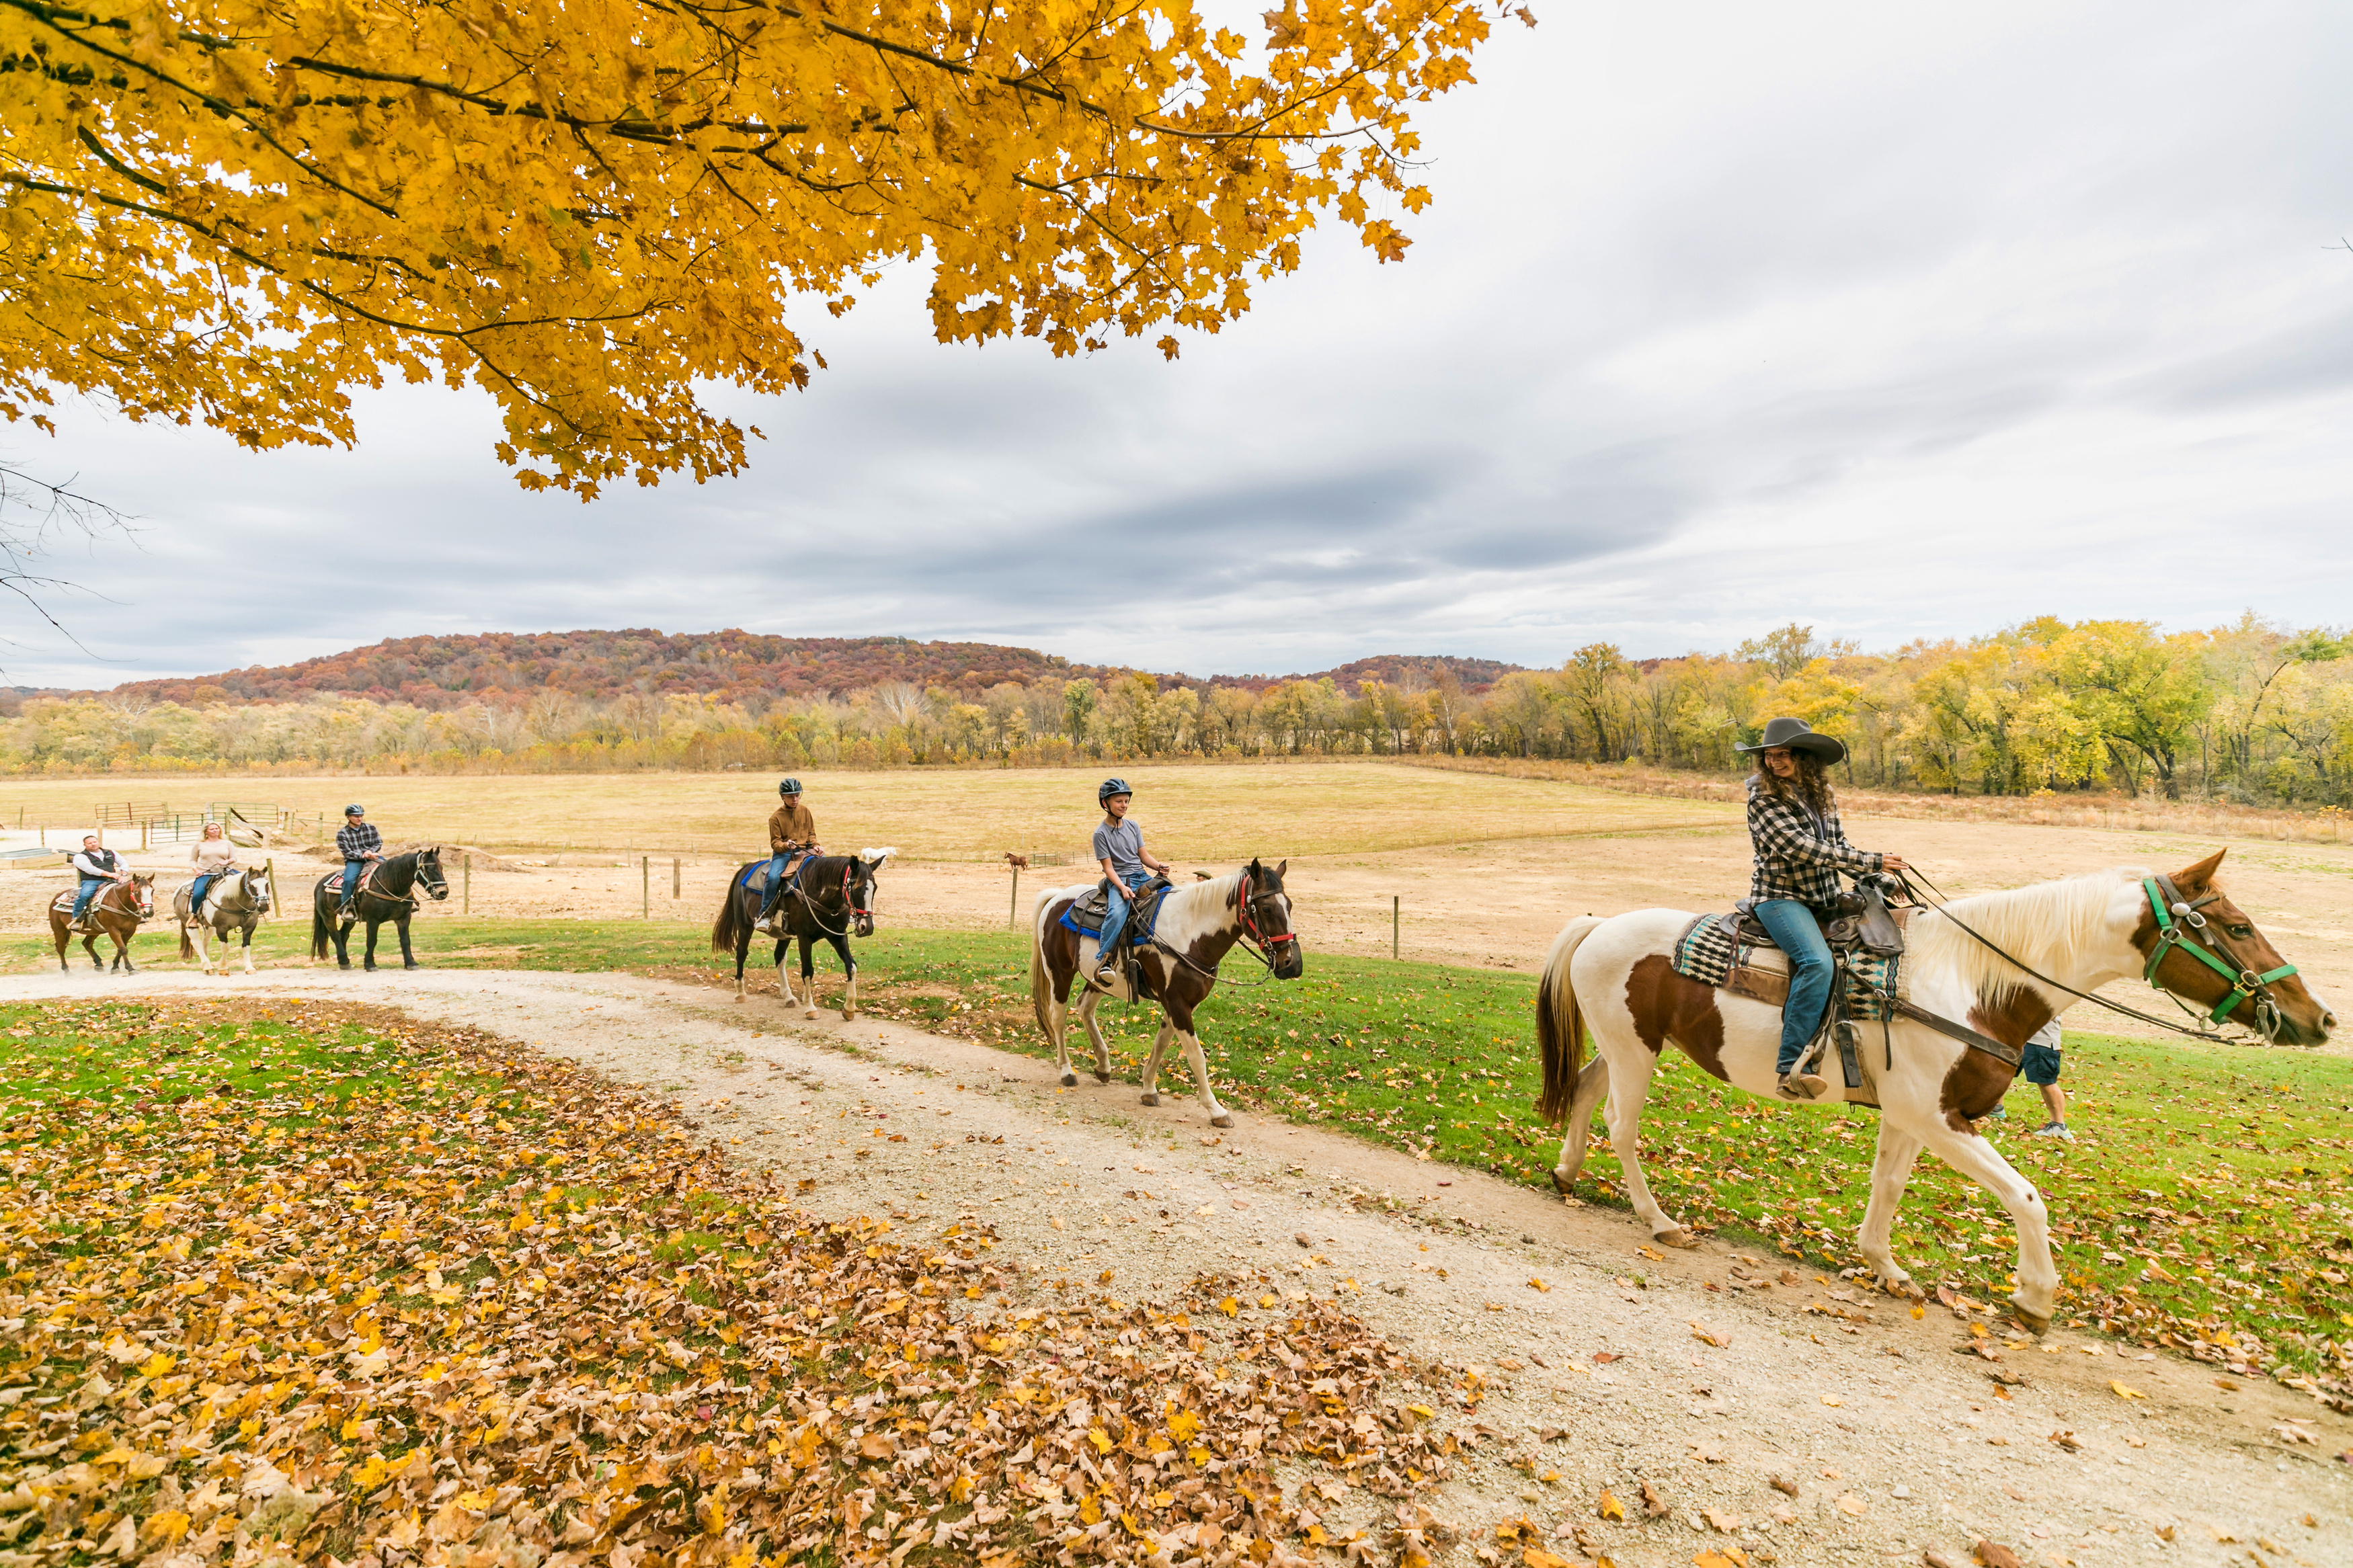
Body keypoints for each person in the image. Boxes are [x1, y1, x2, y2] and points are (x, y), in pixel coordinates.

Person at [1738, 717, 1909, 1101]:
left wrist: (1880, 880)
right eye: (1769, 755)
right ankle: (1791, 1067)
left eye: (1784, 755)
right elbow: (1800, 847)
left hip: (1824, 897)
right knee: (1817, 962)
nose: (1775, 762)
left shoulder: (1822, 794)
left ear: (1805, 758)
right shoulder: (1763, 797)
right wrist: (1874, 862)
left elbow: (1838, 845)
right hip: (1781, 897)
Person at [1090, 778, 1172, 987]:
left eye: (1126, 801)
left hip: (1141, 875)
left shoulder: (1133, 826)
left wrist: (1158, 867)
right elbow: (1108, 868)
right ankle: (1106, 961)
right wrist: (1122, 888)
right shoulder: (1100, 834)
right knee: (1117, 913)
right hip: (1119, 880)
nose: (1124, 805)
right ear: (1105, 804)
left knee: (1173, 894)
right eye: (1119, 801)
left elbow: (1143, 856)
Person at [759, 778, 822, 925]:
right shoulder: (775, 818)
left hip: (806, 851)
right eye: (790, 796)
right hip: (784, 854)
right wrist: (787, 845)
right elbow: (775, 843)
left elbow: (811, 833)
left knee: (829, 870)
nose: (795, 799)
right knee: (773, 878)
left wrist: (816, 845)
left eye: (797, 795)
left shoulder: (805, 811)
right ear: (782, 797)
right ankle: (765, 915)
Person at [2020, 1020, 2072, 1140]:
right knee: (2006, 1071)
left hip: (2042, 1041)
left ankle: (2059, 1125)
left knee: (2046, 1081)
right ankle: (1997, 1109)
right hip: (2022, 1036)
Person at [69, 833, 130, 930]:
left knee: (130, 891)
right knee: (85, 895)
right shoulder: (80, 857)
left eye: (95, 842)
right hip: (91, 881)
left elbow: (123, 863)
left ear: (98, 842)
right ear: (85, 845)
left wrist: (123, 875)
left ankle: (136, 915)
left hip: (111, 880)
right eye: (89, 843)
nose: (93, 844)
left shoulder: (111, 852)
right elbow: (90, 869)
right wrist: (109, 874)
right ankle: (76, 918)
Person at [336, 804, 382, 922]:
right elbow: (347, 852)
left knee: (394, 870)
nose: (359, 819)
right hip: (354, 861)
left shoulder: (371, 828)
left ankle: (408, 900)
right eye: (356, 816)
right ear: (348, 817)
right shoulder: (342, 834)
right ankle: (347, 908)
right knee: (349, 880)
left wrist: (371, 852)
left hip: (373, 857)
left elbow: (378, 842)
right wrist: (362, 855)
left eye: (361, 816)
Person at [188, 821, 238, 914]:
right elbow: (192, 860)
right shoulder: (199, 845)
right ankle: (194, 915)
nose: (215, 831)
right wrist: (196, 870)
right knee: (198, 894)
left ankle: (253, 910)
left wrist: (227, 861)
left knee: (246, 884)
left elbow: (234, 858)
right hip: (206, 874)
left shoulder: (227, 843)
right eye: (212, 829)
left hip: (226, 871)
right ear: (206, 832)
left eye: (217, 828)